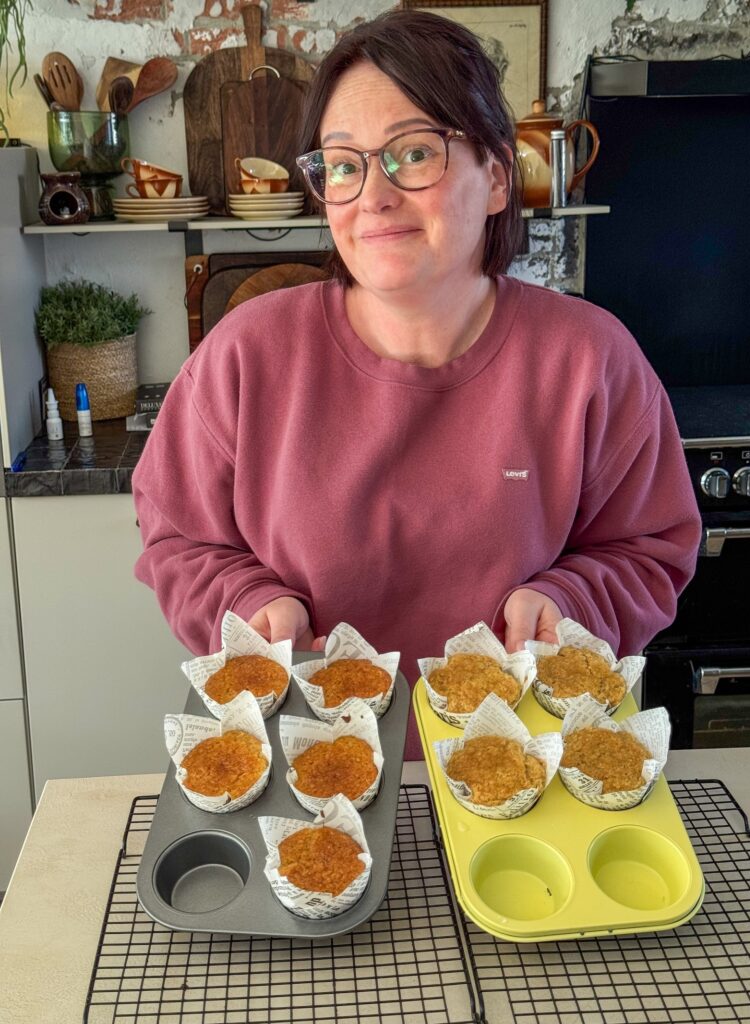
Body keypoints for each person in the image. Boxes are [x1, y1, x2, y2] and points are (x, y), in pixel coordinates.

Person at [132, 10, 701, 758]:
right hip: (308, 762)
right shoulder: (246, 356)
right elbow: (177, 535)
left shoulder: (591, 360)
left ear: (497, 178)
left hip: (531, 767)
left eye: (414, 153)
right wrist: (247, 601)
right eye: (343, 163)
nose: (373, 193)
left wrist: (569, 600)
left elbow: (651, 547)